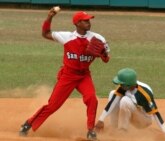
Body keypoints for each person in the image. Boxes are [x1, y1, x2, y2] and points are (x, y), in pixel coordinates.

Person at [19, 7, 110, 140]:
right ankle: (27, 124)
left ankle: (91, 131)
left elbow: (106, 59)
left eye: (89, 20)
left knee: (92, 99)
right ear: (77, 23)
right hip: (68, 75)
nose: (89, 23)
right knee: (53, 105)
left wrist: (103, 53)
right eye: (85, 21)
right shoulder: (67, 37)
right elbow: (45, 34)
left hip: (84, 75)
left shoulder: (98, 38)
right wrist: (50, 17)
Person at [95, 68, 165, 134]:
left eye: (122, 84)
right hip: (133, 113)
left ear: (128, 85)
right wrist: (101, 120)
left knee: (125, 100)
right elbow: (112, 102)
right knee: (112, 94)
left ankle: (122, 130)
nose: (120, 85)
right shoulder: (124, 87)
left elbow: (156, 113)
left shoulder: (144, 94)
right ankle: (114, 127)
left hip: (144, 120)